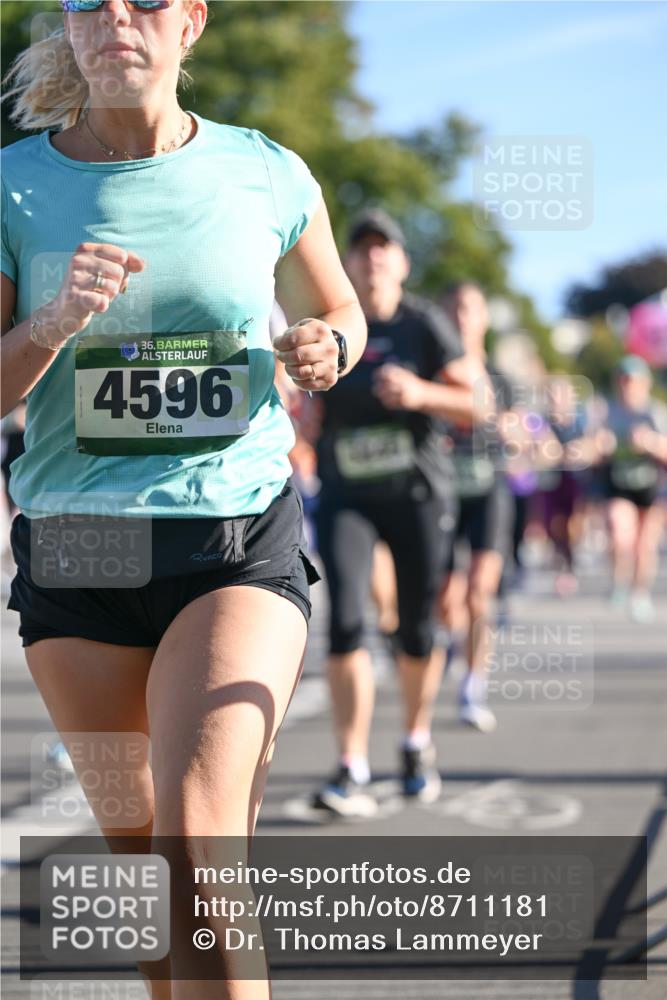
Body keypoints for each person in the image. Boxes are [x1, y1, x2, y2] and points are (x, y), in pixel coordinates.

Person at [1, 2, 366, 997]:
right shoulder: (14, 186)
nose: (117, 15)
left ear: (191, 24)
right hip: (77, 553)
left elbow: (339, 303)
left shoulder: (267, 170)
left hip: (231, 536)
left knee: (199, 842)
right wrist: (52, 322)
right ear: (69, 29)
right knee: (150, 871)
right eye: (89, 1)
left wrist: (333, 345)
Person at [310, 209, 486, 816]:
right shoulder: (332, 326)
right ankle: (351, 763)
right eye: (360, 249)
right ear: (347, 264)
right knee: (347, 622)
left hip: (416, 496)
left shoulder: (425, 325)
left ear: (403, 262)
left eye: (384, 248)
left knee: (416, 629)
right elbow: (309, 412)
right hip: (348, 496)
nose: (372, 257)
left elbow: (476, 403)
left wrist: (420, 394)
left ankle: (415, 741)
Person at [437, 282, 514, 733]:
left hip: (489, 489)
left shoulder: (501, 378)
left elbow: (525, 432)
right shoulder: (435, 372)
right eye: (455, 308)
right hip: (445, 492)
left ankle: (473, 683)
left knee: (479, 591)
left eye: (471, 308)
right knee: (447, 598)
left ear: (483, 318)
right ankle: (452, 642)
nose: (463, 316)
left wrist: (512, 428)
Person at [593, 355, 667, 622]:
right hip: (618, 484)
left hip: (651, 485)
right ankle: (619, 581)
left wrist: (650, 443)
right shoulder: (608, 411)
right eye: (623, 380)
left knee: (644, 545)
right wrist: (601, 446)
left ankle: (639, 593)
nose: (628, 386)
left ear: (644, 383)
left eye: (633, 381)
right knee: (618, 531)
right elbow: (594, 447)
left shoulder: (655, 412)